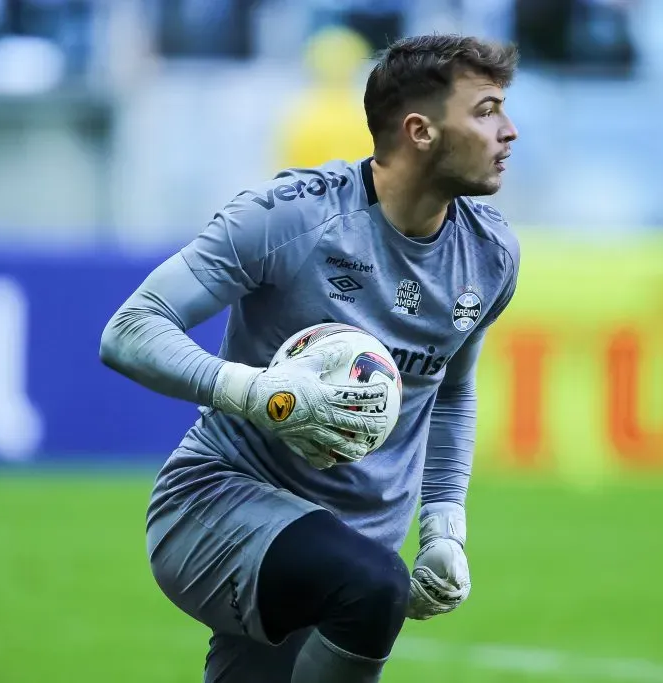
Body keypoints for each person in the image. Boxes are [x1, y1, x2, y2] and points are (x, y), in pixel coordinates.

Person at [100, 33, 521, 683]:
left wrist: (443, 526)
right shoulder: (291, 216)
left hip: (348, 542)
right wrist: (258, 393)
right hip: (217, 507)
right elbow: (130, 328)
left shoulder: (490, 255)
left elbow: (453, 392)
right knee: (374, 589)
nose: (509, 131)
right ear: (420, 131)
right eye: (486, 110)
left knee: (358, 584)